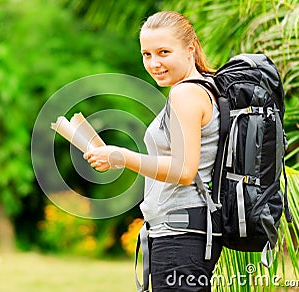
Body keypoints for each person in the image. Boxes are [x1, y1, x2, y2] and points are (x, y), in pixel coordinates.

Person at [84, 11, 222, 291]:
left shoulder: (185, 94)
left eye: (163, 52)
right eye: (146, 54)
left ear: (190, 49)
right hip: (181, 234)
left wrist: (120, 156)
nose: (154, 63)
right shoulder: (204, 88)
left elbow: (184, 171)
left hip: (180, 237)